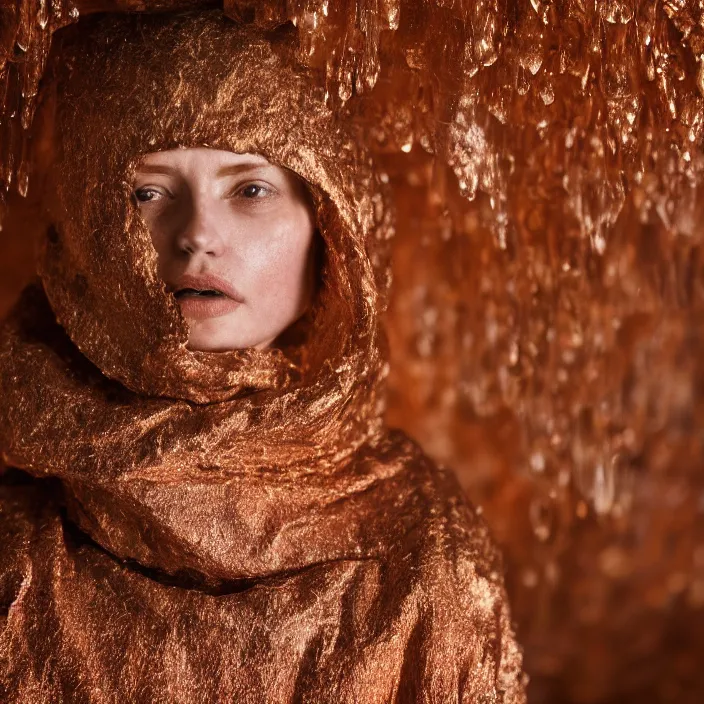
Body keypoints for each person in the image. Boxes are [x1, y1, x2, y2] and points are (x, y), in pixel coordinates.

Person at [0, 9, 527, 703]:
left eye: (251, 190)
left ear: (333, 233)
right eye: (147, 193)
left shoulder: (424, 547)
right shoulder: (18, 537)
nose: (196, 236)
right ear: (88, 229)